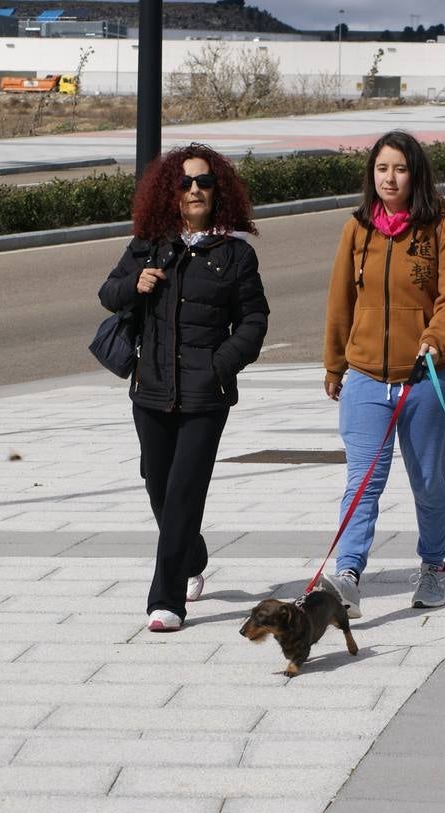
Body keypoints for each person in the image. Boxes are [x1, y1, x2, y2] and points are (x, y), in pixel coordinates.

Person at [98, 144, 269, 633]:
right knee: (156, 481)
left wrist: (221, 366)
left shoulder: (235, 253)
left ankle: (166, 599)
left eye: (205, 182)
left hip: (204, 396)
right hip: (149, 387)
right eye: (186, 182)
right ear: (170, 193)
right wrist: (137, 282)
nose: (196, 189)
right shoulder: (149, 244)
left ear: (219, 192)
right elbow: (108, 294)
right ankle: (191, 554)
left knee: (183, 493)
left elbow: (254, 320)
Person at [321, 130, 445, 617]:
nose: (390, 177)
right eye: (382, 168)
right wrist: (334, 364)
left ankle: (434, 567)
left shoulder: (440, 230)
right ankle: (347, 573)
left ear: (416, 174)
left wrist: (436, 337)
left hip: (425, 376)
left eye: (400, 168)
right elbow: (341, 299)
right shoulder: (357, 228)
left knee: (427, 480)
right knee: (362, 480)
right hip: (366, 374)